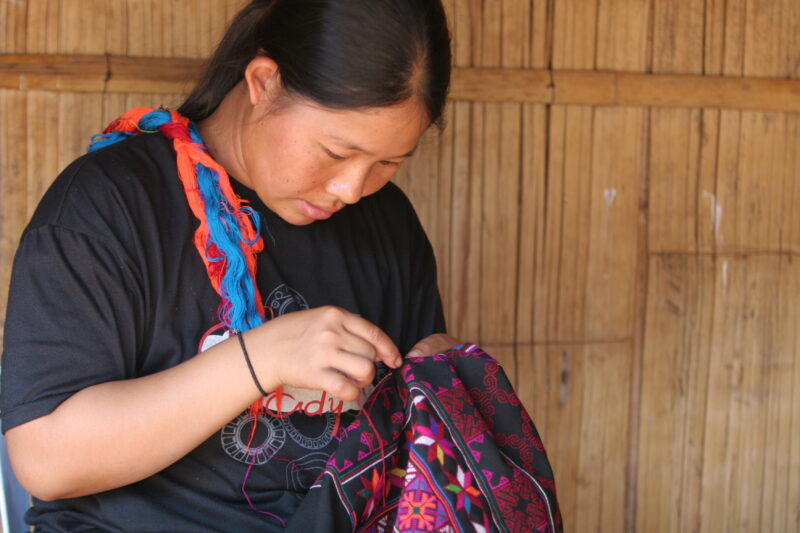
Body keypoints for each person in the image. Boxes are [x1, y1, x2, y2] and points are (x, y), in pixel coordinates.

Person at [0, 0, 458, 530]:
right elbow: (47, 460)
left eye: (388, 162)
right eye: (335, 153)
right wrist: (260, 360)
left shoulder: (387, 223)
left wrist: (444, 380)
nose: (352, 188)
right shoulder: (109, 204)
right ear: (263, 81)